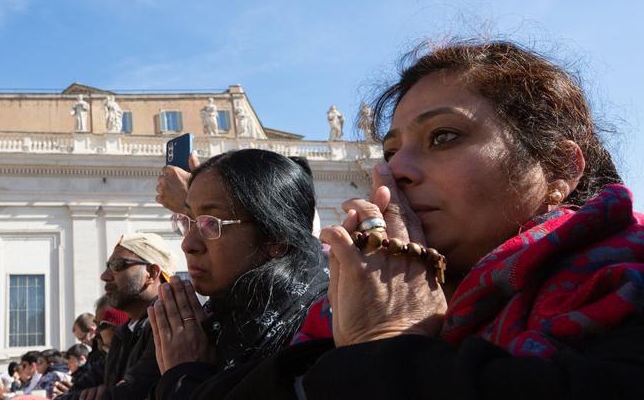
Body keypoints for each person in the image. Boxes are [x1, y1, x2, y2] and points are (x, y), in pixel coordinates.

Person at [204, 39, 644, 399]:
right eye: (390, 151)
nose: (396, 171)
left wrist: (387, 342)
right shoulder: (335, 314)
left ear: (560, 167)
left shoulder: (628, 291)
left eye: (444, 136)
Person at [148, 149, 329, 399]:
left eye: (212, 223)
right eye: (187, 220)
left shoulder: (322, 334)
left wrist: (183, 377)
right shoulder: (211, 324)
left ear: (276, 238)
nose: (188, 244)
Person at [76, 232, 176, 400]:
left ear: (151, 273)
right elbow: (81, 387)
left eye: (117, 265)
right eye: (108, 266)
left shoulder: (169, 324)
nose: (104, 276)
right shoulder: (124, 333)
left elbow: (130, 394)